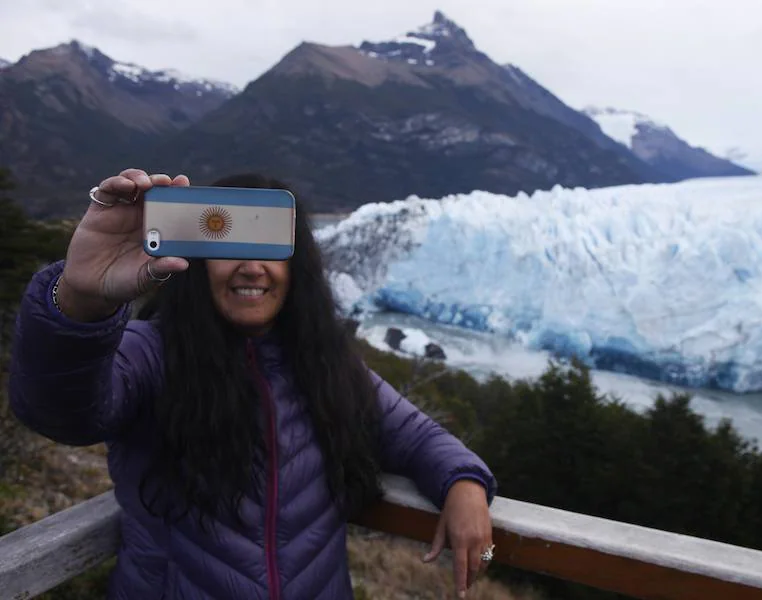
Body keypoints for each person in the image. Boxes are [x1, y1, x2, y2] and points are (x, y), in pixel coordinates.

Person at [7, 169, 498, 599]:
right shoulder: (151, 354)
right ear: (198, 260)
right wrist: (80, 298)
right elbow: (59, 411)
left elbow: (416, 436)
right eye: (227, 243)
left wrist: (465, 483)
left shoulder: (326, 366)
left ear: (296, 265)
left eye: (267, 244)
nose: (251, 266)